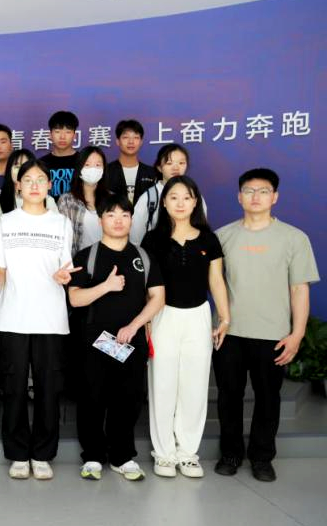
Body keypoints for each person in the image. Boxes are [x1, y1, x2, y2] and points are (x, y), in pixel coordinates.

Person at [213, 168, 319, 482]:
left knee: (268, 399)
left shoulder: (294, 238)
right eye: (249, 191)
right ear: (239, 197)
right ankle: (230, 454)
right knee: (229, 397)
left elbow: (299, 289)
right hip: (229, 333)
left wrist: (297, 334)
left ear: (275, 197)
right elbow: (214, 283)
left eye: (263, 191)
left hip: (273, 334)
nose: (255, 196)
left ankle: (261, 458)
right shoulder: (222, 236)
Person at [0, 159, 74, 481]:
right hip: (13, 319)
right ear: (18, 186)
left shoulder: (62, 223)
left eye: (40, 179)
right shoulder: (4, 223)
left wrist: (64, 277)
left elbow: (66, 269)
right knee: (14, 389)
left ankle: (43, 454)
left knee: (49, 389)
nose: (34, 185)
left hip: (51, 320)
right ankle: (18, 454)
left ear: (50, 186)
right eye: (28, 180)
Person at [68, 193, 165, 482]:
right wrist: (106, 286)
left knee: (129, 400)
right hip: (93, 342)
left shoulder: (143, 257)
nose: (118, 221)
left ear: (132, 220)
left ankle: (123, 456)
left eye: (124, 215)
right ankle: (93, 456)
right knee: (92, 399)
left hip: (131, 342)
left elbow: (158, 297)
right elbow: (75, 299)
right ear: (101, 221)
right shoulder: (87, 256)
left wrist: (134, 326)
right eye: (111, 215)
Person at [142, 175, 230, 478]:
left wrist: (224, 317)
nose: (180, 203)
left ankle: (188, 453)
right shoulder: (152, 240)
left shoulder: (208, 239)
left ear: (196, 203)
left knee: (194, 384)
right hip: (162, 315)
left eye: (187, 197)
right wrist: (146, 320)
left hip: (198, 316)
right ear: (164, 203)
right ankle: (164, 454)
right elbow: (147, 285)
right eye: (174, 197)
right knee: (163, 383)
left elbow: (216, 281)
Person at [130, 143, 206, 244]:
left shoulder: (194, 195)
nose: (176, 168)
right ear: (159, 167)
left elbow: (201, 226)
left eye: (181, 163)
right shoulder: (149, 197)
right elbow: (135, 237)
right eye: (169, 163)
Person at [57, 146, 110, 255]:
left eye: (98, 165)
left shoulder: (112, 199)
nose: (93, 169)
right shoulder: (67, 201)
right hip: (79, 260)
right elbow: (62, 239)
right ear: (79, 168)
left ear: (104, 169)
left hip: (108, 258)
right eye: (87, 165)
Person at [0, 149, 58, 224]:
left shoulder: (48, 201)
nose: (21, 170)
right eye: (17, 167)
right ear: (9, 170)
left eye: (26, 166)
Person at [104, 119, 158, 204]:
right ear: (117, 141)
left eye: (136, 137)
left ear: (141, 142)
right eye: (126, 137)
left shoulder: (152, 173)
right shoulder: (106, 171)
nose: (131, 142)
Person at [40, 110, 80, 199]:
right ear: (50, 135)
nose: (62, 137)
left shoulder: (83, 161)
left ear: (75, 136)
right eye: (57, 131)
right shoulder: (41, 163)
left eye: (68, 132)